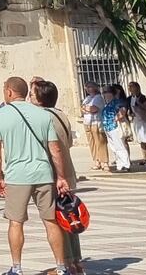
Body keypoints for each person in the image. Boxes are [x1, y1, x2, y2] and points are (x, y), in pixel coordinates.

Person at [0, 76, 73, 275]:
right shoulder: (43, 115)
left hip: (17, 176)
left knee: (16, 222)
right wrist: (61, 177)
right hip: (43, 173)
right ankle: (61, 267)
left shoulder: (0, 115)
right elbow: (55, 150)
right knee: (51, 221)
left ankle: (16, 268)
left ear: (9, 92)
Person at [33, 79, 85, 275]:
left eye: (32, 94)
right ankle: (77, 262)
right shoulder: (61, 114)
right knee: (70, 216)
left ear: (39, 99)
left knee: (59, 220)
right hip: (68, 170)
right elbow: (69, 142)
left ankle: (67, 264)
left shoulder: (43, 117)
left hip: (55, 174)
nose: (29, 98)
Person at [99, 85, 131, 172]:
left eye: (106, 92)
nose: (104, 95)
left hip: (115, 127)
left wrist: (116, 119)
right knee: (114, 147)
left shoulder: (118, 102)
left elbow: (122, 112)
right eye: (104, 93)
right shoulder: (108, 104)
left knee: (120, 146)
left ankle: (125, 164)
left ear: (112, 93)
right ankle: (119, 165)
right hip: (108, 128)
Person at [125, 81, 146, 166]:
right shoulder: (129, 99)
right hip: (136, 120)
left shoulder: (142, 97)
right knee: (141, 140)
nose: (131, 88)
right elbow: (129, 110)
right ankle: (145, 158)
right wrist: (130, 114)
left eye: (132, 86)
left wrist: (139, 105)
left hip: (143, 120)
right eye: (129, 87)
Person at [79, 83, 105, 172]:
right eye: (87, 87)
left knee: (99, 143)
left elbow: (94, 109)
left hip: (96, 122)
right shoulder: (87, 98)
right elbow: (82, 108)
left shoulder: (98, 98)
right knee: (92, 144)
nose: (88, 89)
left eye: (90, 87)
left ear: (95, 88)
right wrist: (86, 108)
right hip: (87, 122)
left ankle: (104, 162)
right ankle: (96, 161)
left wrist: (87, 108)